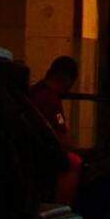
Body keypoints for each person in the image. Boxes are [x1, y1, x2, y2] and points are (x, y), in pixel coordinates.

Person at [29, 55, 81, 203]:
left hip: (34, 153)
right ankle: (64, 205)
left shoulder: (33, 92)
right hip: (46, 155)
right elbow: (61, 131)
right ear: (65, 78)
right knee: (74, 162)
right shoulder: (51, 99)